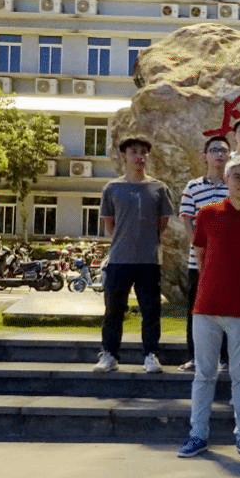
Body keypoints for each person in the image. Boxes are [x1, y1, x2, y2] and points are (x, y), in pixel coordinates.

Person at [177, 156, 240, 459]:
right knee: (204, 374)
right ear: (226, 179)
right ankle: (198, 434)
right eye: (237, 176)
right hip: (207, 306)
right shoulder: (207, 214)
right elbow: (201, 255)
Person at [94, 136, 174, 373]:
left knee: (151, 310)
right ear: (124, 156)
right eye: (134, 152)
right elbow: (109, 225)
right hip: (119, 259)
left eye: (143, 152)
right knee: (114, 310)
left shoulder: (159, 188)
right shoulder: (112, 188)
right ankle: (109, 354)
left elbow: (162, 223)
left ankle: (150, 355)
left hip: (149, 260)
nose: (139, 156)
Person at [178, 135, 230, 373]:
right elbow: (187, 219)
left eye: (223, 151)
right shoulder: (193, 186)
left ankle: (224, 358)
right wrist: (199, 248)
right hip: (198, 262)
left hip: (227, 262)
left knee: (227, 311)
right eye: (214, 150)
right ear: (205, 156)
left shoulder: (234, 186)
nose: (219, 154)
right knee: (197, 310)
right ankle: (195, 356)